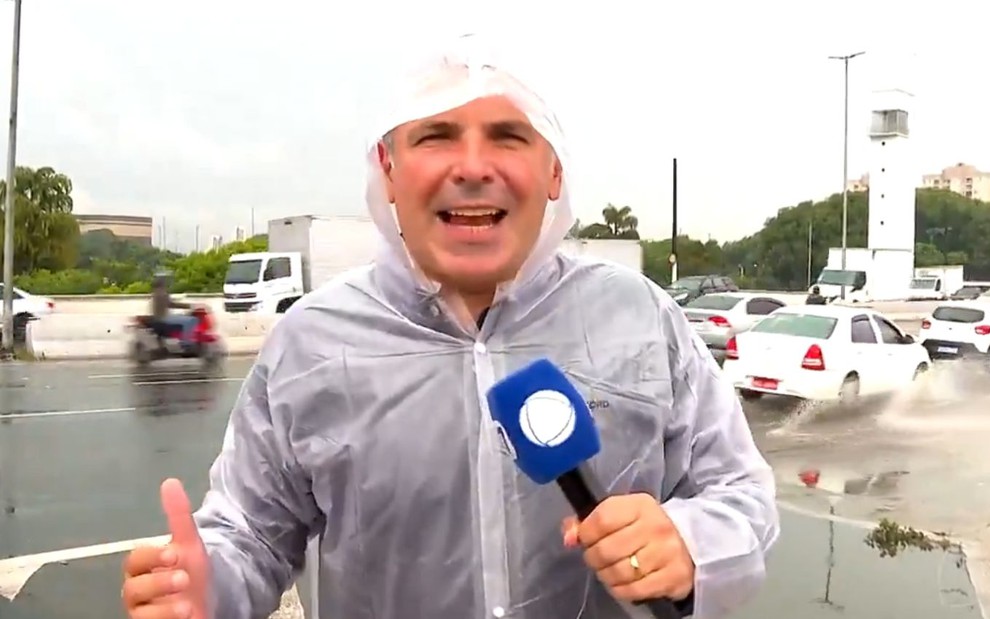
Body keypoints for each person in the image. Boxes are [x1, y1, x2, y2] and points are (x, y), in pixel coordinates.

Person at [121, 37, 778, 619]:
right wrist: (204, 586)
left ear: (553, 170)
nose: (471, 167)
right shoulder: (312, 342)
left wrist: (690, 542)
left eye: (507, 136)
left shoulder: (643, 320)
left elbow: (741, 495)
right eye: (435, 136)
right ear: (388, 166)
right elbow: (251, 535)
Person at [148, 273, 197, 347]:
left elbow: (167, 303)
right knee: (191, 320)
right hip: (164, 317)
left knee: (182, 316)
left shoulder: (156, 293)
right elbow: (170, 304)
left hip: (160, 316)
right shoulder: (162, 293)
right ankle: (186, 342)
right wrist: (189, 306)